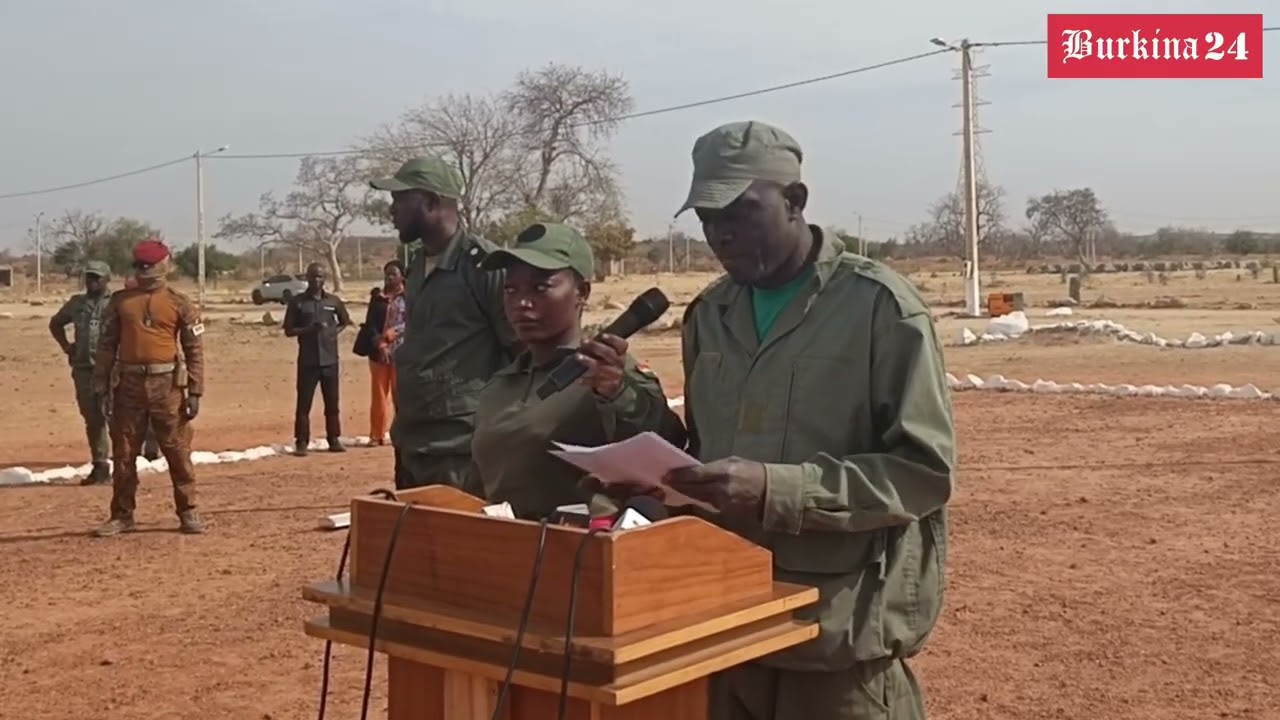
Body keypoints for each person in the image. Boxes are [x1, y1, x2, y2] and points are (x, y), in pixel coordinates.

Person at [667, 121, 956, 719]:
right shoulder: (709, 315)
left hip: (835, 637)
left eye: (739, 213)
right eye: (706, 218)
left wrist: (779, 488)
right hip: (727, 626)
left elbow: (922, 473)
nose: (719, 234)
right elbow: (703, 444)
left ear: (795, 201)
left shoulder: (880, 309)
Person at [469, 222, 686, 520]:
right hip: (508, 548)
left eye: (540, 287)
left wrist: (617, 392)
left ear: (581, 292)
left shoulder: (607, 372)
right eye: (511, 289)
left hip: (582, 550)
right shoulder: (501, 385)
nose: (521, 302)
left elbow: (665, 440)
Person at [369, 155, 517, 492]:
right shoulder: (417, 265)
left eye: (400, 200)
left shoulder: (484, 266)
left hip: (461, 451)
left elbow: (519, 353)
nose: (391, 210)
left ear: (433, 202)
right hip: (413, 442)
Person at [91, 239, 207, 536]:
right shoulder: (120, 302)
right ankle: (122, 515)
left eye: (151, 266)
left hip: (167, 387)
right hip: (128, 386)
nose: (147, 271)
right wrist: (101, 387)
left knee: (177, 451)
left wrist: (195, 391)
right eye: (142, 266)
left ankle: (188, 511)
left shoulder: (180, 303)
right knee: (124, 453)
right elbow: (106, 347)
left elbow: (194, 350)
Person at [49, 261, 113, 485]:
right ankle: (100, 465)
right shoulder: (76, 304)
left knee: (116, 418)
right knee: (92, 418)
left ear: (107, 279)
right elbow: (55, 324)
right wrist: (67, 347)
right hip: (84, 368)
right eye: (89, 277)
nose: (92, 282)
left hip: (111, 370)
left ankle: (125, 466)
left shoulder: (117, 303)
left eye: (97, 278)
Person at [282, 262, 353, 456]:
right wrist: (309, 330)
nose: (317, 280)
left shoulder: (333, 301)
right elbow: (289, 330)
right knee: (304, 404)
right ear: (307, 278)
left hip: (330, 360)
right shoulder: (297, 302)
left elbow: (345, 321)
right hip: (308, 361)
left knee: (332, 403)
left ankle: (334, 439)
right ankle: (302, 441)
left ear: (325, 279)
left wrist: (332, 333)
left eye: (320, 277)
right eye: (313, 276)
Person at [122, 276, 162, 462]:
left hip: (155, 371)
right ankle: (132, 451)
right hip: (127, 370)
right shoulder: (121, 310)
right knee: (130, 416)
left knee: (153, 414)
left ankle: (152, 451)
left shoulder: (156, 309)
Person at [371, 261, 406, 443]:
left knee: (400, 394)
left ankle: (402, 432)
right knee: (379, 395)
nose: (389, 277)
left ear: (402, 276)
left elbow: (414, 320)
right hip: (379, 353)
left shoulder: (410, 297)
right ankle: (377, 434)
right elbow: (371, 324)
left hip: (402, 352)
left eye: (393, 274)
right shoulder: (378, 297)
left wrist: (393, 334)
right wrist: (381, 345)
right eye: (387, 274)